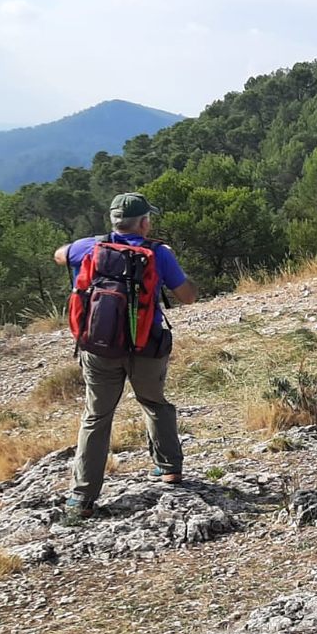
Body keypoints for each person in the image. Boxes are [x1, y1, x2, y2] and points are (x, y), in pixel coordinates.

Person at [51, 193, 198, 521]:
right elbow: (187, 297)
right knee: (155, 403)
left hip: (100, 348)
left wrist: (82, 248)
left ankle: (82, 497)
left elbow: (59, 255)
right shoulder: (158, 252)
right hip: (147, 345)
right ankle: (169, 468)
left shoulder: (91, 247)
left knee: (96, 416)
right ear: (144, 222)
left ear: (115, 220)